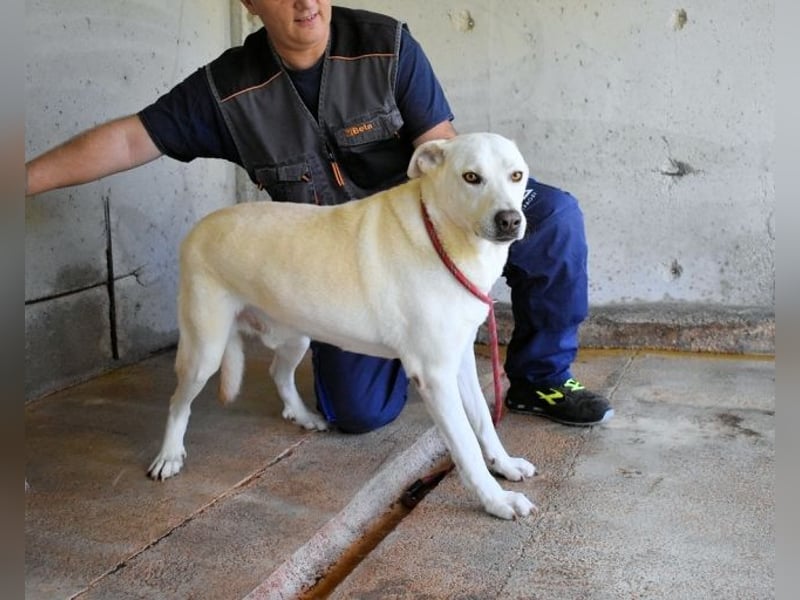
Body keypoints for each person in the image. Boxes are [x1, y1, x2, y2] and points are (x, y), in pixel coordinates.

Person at [25, 0, 613, 431]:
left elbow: (446, 148)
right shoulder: (225, 90)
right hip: (345, 276)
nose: (306, 1)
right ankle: (424, 357)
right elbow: (131, 141)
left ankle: (540, 377)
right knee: (358, 414)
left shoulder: (387, 44)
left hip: (421, 239)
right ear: (249, 5)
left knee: (553, 215)